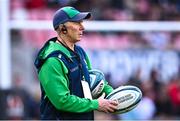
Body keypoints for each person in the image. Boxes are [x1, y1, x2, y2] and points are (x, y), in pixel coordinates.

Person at [34, 6, 118, 120]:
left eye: (81, 22)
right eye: (77, 23)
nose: (82, 27)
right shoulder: (52, 60)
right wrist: (96, 104)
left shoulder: (79, 51)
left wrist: (113, 94)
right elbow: (62, 101)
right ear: (63, 28)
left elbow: (92, 80)